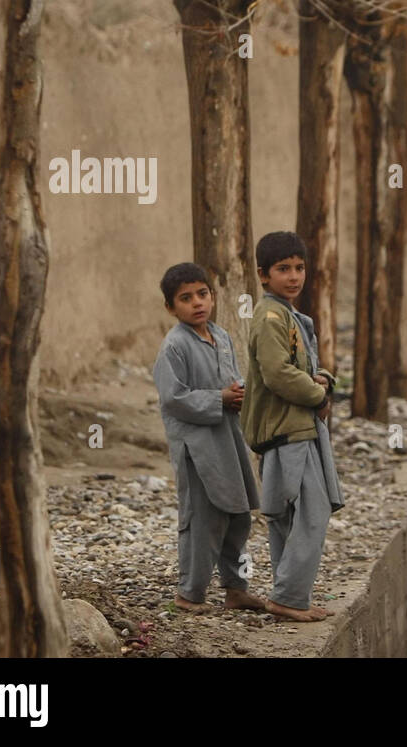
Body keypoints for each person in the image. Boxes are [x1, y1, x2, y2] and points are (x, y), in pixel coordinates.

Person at [241, 232, 345, 622]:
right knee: (313, 512)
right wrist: (318, 397)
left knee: (286, 516)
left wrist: (322, 378)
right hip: (289, 430)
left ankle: (291, 596)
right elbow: (277, 373)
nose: (294, 276)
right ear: (263, 275)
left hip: (289, 430)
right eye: (283, 269)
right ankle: (286, 596)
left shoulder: (286, 315)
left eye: (299, 267)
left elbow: (297, 366)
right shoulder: (270, 317)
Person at [152, 262, 265, 614]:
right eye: (186, 298)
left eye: (202, 294)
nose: (197, 303)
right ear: (171, 308)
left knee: (238, 515)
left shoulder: (221, 336)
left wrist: (238, 392)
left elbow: (231, 379)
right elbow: (174, 398)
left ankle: (236, 588)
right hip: (198, 448)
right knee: (203, 518)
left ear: (213, 297)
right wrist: (219, 398)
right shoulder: (174, 347)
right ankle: (190, 593)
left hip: (228, 441)